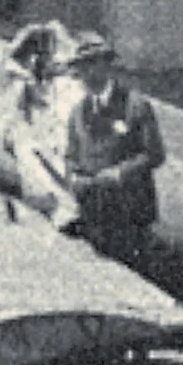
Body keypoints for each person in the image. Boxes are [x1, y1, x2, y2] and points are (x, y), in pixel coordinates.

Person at [62, 31, 165, 268]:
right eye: (81, 67)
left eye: (91, 65)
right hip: (93, 211)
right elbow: (71, 155)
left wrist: (120, 172)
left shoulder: (135, 105)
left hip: (129, 209)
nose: (85, 74)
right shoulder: (78, 112)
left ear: (107, 66)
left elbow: (154, 154)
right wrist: (73, 176)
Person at [0, 20, 85, 229]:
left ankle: (65, 206)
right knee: (25, 145)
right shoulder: (32, 85)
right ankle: (60, 206)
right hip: (42, 141)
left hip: (63, 148)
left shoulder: (71, 89)